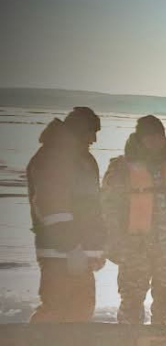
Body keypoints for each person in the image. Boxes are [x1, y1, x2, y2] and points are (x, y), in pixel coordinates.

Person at [101, 115, 166, 325]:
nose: (155, 142)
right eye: (150, 137)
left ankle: (164, 334)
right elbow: (108, 207)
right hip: (133, 245)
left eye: (159, 137)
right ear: (140, 138)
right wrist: (112, 242)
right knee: (132, 295)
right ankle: (128, 339)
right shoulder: (121, 168)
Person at [26, 107, 105, 322]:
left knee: (80, 310)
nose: (95, 139)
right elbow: (52, 204)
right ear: (79, 130)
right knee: (56, 309)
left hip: (79, 250)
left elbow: (91, 207)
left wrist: (96, 247)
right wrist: (71, 246)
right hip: (60, 252)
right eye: (92, 132)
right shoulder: (53, 157)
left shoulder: (83, 159)